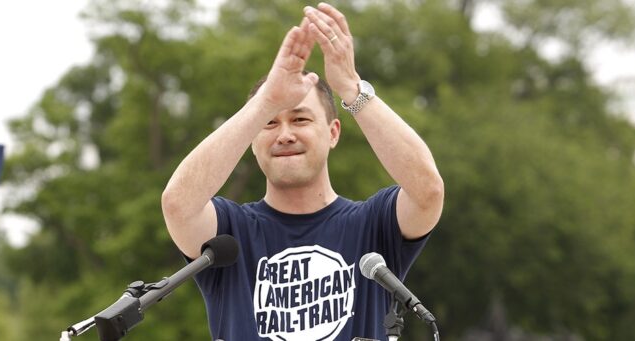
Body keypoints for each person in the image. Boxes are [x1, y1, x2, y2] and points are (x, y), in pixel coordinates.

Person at [161, 3, 444, 340]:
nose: (284, 135)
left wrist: (351, 87)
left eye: (299, 119)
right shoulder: (229, 235)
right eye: (269, 123)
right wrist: (265, 102)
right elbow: (178, 204)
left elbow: (428, 191)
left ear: (333, 133)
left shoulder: (373, 225)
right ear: (252, 140)